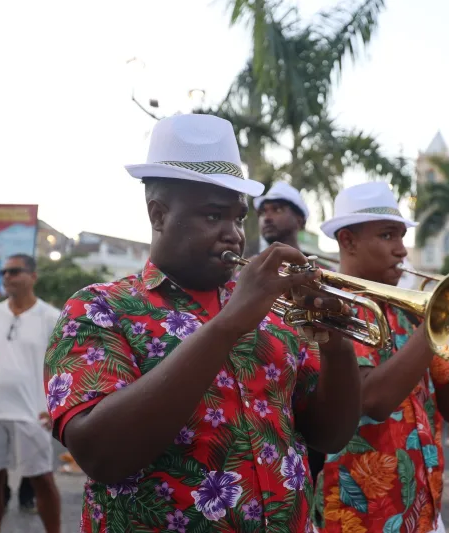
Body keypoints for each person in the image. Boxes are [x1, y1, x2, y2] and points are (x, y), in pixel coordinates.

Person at [43, 114, 363, 531]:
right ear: (158, 215)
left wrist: (336, 345)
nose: (232, 233)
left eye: (237, 218)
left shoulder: (275, 311)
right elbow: (101, 454)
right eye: (213, 217)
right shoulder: (98, 308)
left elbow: (330, 435)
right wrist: (227, 326)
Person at [311, 181, 449, 533]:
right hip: (356, 518)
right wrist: (440, 320)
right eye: (388, 236)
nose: (402, 251)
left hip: (424, 509)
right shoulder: (326, 308)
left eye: (402, 237)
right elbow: (372, 399)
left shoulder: (409, 317)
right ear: (347, 241)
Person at [252, 180, 335, 484]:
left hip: (320, 396)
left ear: (300, 220)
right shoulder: (248, 273)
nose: (268, 216)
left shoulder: (324, 273)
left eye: (278, 209)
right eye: (264, 211)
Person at [0, 254, 61, 532]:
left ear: (33, 276)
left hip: (32, 411)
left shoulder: (51, 317)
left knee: (42, 480)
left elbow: (62, 367)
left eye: (14, 271)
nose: (7, 277)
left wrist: (54, 407)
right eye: (4, 272)